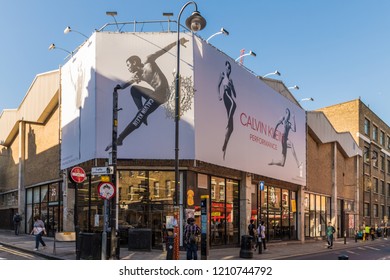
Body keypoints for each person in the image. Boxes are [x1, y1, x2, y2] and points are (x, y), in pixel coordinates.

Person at [105, 37, 189, 151]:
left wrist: (177, 42)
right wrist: (118, 87)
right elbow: (125, 85)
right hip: (155, 94)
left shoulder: (149, 60)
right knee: (134, 89)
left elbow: (163, 50)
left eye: (128, 65)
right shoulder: (137, 75)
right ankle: (142, 112)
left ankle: (120, 138)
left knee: (138, 117)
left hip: (163, 93)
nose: (128, 68)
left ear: (134, 62)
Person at [217, 60, 237, 160]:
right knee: (234, 104)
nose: (229, 70)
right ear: (225, 67)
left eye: (230, 68)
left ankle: (224, 145)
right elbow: (218, 85)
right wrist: (219, 95)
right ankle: (228, 121)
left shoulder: (231, 80)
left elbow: (235, 94)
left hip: (230, 95)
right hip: (226, 96)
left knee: (231, 129)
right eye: (228, 67)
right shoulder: (222, 74)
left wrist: (232, 87)